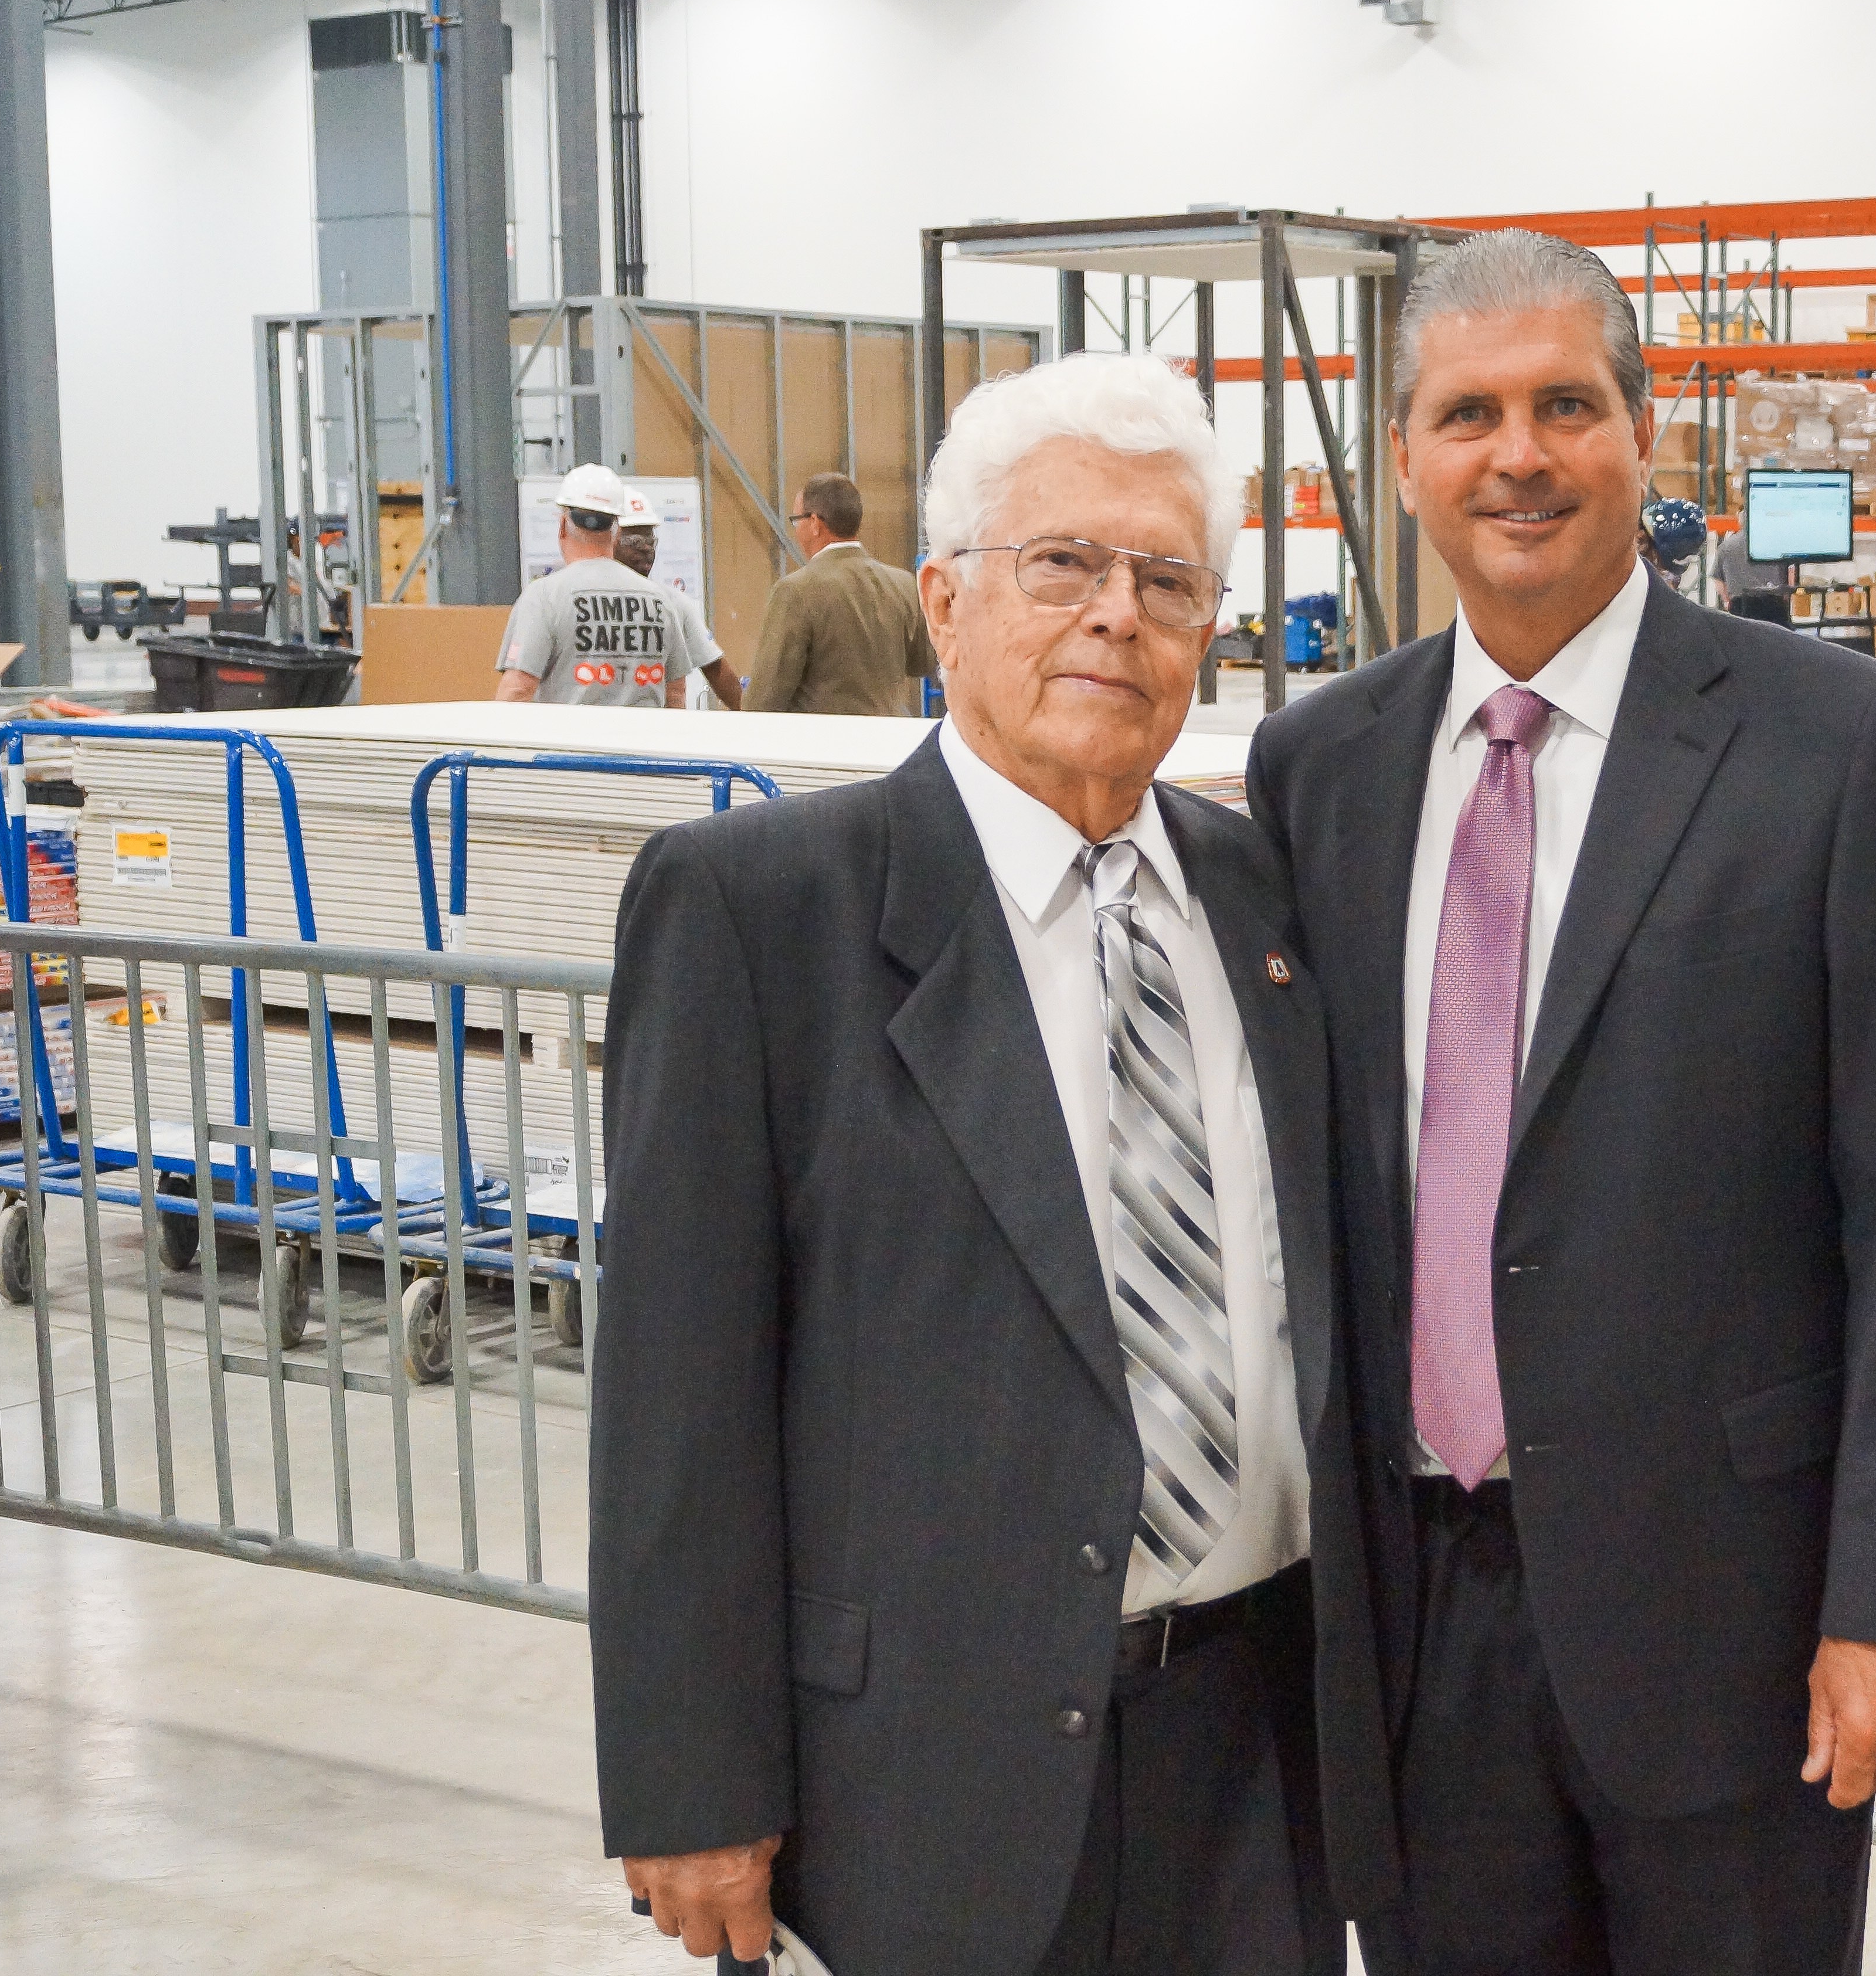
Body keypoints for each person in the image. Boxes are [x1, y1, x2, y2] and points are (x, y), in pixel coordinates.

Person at [1245, 229, 1876, 1975]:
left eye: (1565, 405)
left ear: (1643, 434)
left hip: (1727, 1617)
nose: (1518, 454)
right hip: (1421, 1611)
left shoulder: (1840, 745)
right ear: (1404, 453)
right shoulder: (1320, 768)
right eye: (1469, 413)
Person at [590, 353, 1379, 1976]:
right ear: (944, 604)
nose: (1118, 614)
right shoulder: (760, 916)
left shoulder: (1263, 903)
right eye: (1064, 565)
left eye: (1168, 578)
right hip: (932, 1765)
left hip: (1260, 1747)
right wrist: (690, 1782)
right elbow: (678, 1393)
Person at [495, 463, 743, 708]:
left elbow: (517, 691)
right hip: (643, 747)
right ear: (615, 532)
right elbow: (676, 694)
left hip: (573, 747)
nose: (645, 548)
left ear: (562, 526)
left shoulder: (544, 596)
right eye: (635, 539)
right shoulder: (663, 601)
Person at [749, 470, 937, 715]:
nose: (796, 530)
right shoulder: (902, 583)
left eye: (796, 520)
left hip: (825, 747)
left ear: (816, 524)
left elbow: (764, 700)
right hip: (892, 743)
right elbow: (922, 662)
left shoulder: (795, 591)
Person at [615, 487, 746, 709]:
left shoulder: (673, 603)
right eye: (635, 540)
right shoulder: (580, 599)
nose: (646, 549)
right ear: (610, 539)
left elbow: (716, 669)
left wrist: (755, 721)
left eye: (650, 540)